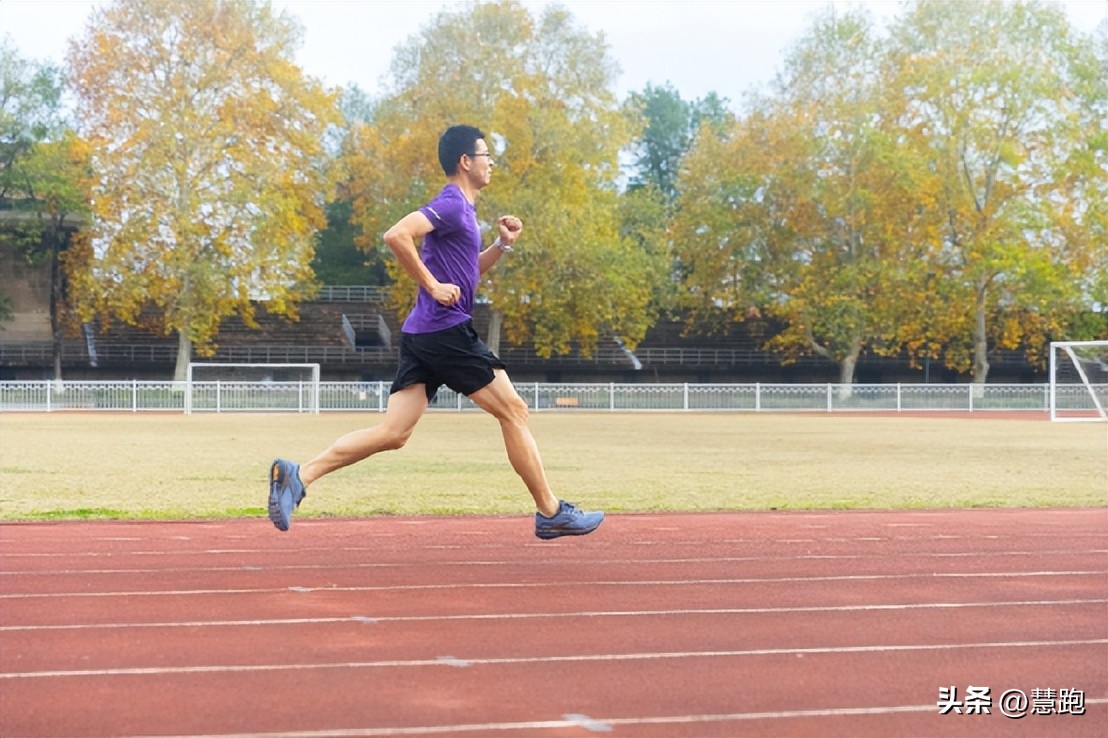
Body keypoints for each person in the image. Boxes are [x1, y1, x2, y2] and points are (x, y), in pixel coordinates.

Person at [268, 124, 604, 540]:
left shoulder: (464, 212)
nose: (491, 163)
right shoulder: (450, 204)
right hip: (445, 332)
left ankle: (300, 475)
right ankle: (550, 511)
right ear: (466, 162)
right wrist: (430, 284)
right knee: (514, 410)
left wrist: (501, 245)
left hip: (423, 333)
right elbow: (396, 235)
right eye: (486, 156)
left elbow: (465, 275)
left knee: (394, 433)